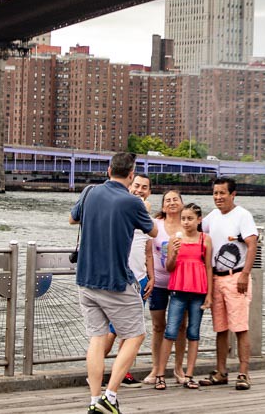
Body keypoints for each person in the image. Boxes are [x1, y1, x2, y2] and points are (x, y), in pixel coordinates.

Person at [70, 152, 156, 414]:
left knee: (96, 339)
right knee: (135, 335)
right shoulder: (133, 202)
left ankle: (94, 400)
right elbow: (152, 230)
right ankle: (111, 394)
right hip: (116, 281)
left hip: (86, 280)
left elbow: (73, 218)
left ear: (108, 170)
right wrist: (141, 206)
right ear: (131, 176)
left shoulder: (88, 193)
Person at [199, 177, 258, 391]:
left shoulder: (243, 216)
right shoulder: (212, 217)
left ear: (233, 194)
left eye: (222, 193)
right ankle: (221, 372)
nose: (218, 197)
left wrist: (245, 274)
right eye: (215, 193)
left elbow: (252, 245)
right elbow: (195, 229)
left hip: (236, 277)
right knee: (221, 328)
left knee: (240, 327)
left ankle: (243, 373)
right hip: (216, 278)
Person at [101, 173, 154, 388]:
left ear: (149, 191)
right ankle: (95, 370)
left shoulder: (146, 217)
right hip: (119, 278)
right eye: (136, 185)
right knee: (111, 330)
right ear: (129, 185)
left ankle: (122, 372)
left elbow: (148, 251)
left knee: (131, 331)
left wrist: (152, 277)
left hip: (139, 279)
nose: (140, 190)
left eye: (144, 187)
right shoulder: (119, 208)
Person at [151, 203, 213, 390]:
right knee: (170, 331)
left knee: (193, 333)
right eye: (183, 219)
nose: (186, 222)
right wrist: (174, 253)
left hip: (198, 291)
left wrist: (209, 294)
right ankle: (161, 374)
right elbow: (169, 267)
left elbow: (208, 267)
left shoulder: (205, 239)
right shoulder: (174, 239)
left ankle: (189, 374)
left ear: (199, 220)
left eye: (190, 219)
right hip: (178, 289)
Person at [143, 190, 188, 385]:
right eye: (167, 200)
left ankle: (178, 367)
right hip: (160, 282)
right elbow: (149, 253)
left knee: (181, 326)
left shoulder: (189, 224)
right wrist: (150, 277)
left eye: (175, 199)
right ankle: (156, 368)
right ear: (162, 206)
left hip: (182, 283)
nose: (171, 203)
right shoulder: (155, 225)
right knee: (158, 326)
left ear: (182, 203)